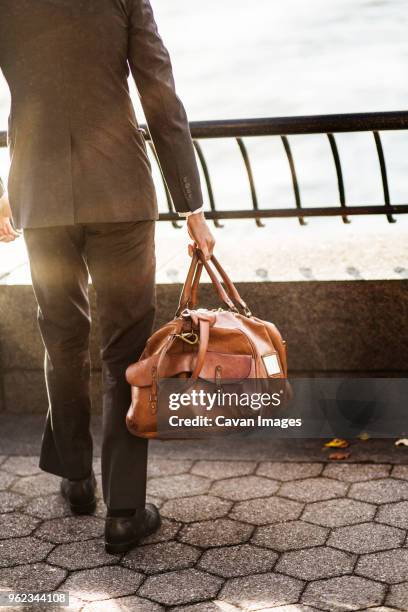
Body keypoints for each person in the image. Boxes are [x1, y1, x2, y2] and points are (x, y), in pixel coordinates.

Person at [0, 0, 215, 554]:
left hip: (40, 199)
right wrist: (191, 206)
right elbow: (159, 95)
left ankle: (75, 479)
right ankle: (124, 511)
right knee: (125, 349)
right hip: (118, 193)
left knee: (61, 333)